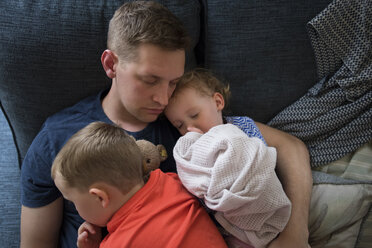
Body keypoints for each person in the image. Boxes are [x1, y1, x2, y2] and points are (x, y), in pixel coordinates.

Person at [20, 1, 312, 248]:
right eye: (150, 80)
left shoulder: (186, 121)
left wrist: (295, 231)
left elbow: (290, 147)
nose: (163, 99)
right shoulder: (55, 139)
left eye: (173, 82)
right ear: (111, 65)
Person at [165, 69, 292, 248]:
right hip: (226, 228)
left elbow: (259, 158)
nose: (189, 129)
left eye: (194, 115)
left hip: (262, 204)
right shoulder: (192, 152)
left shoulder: (241, 126)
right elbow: (196, 185)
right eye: (179, 125)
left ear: (218, 102)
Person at [51, 121, 228, 248]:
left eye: (72, 201)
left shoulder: (119, 243)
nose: (74, 208)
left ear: (99, 197)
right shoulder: (171, 181)